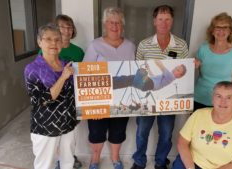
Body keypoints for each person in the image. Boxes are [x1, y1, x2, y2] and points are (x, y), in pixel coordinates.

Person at [131, 5, 189, 169]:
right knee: (142, 132)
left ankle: (160, 162)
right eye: (160, 19)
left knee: (166, 134)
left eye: (168, 19)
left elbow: (185, 72)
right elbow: (139, 71)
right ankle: (139, 161)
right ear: (154, 21)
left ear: (172, 21)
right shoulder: (144, 45)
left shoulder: (181, 45)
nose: (164, 23)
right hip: (147, 97)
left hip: (168, 101)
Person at [83, 7, 136, 169]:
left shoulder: (130, 46)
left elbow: (135, 71)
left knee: (118, 130)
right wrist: (92, 103)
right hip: (98, 99)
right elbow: (84, 73)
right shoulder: (95, 45)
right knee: (96, 131)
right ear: (105, 24)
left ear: (123, 25)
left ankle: (115, 158)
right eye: (111, 22)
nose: (115, 26)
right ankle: (95, 159)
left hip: (122, 98)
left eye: (118, 23)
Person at [24, 23, 77, 169]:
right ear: (39, 42)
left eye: (57, 39)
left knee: (68, 162)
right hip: (46, 127)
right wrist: (62, 78)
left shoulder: (68, 64)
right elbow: (41, 100)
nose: (54, 43)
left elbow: (76, 94)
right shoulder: (32, 69)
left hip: (68, 124)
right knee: (45, 165)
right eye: (48, 39)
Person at [172, 81, 232, 169]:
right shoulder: (198, 114)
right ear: (212, 99)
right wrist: (190, 167)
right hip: (192, 162)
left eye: (229, 97)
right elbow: (182, 143)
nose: (223, 102)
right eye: (219, 96)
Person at [194, 12, 232, 111]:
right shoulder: (203, 49)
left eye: (225, 27)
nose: (221, 31)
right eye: (217, 27)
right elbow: (200, 72)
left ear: (230, 31)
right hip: (200, 97)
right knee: (197, 126)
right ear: (212, 31)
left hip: (222, 101)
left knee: (217, 127)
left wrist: (225, 96)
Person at [54, 14, 84, 169]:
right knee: (57, 132)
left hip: (73, 97)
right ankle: (59, 160)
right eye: (62, 27)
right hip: (55, 98)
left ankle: (70, 157)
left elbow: (83, 74)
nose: (66, 30)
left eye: (69, 27)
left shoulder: (79, 52)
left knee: (71, 131)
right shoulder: (48, 50)